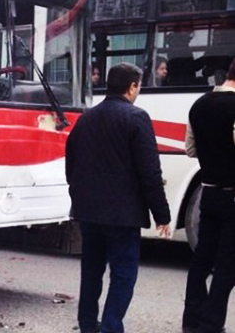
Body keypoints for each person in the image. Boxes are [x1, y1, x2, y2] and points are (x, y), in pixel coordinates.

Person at [65, 62, 171, 333]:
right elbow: (150, 171)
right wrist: (162, 215)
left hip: (88, 212)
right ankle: (111, 328)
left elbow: (71, 163)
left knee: (91, 270)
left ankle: (88, 324)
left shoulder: (86, 118)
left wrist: (79, 195)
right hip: (122, 216)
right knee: (123, 275)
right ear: (131, 86)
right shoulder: (136, 118)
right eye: (138, 86)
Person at [182, 59, 235, 333]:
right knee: (228, 264)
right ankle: (211, 324)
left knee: (202, 258)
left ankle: (191, 319)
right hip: (232, 195)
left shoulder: (199, 105)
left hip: (209, 193)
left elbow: (190, 149)